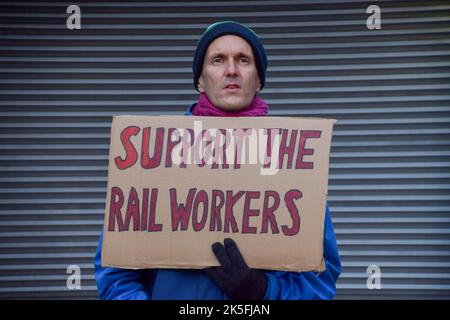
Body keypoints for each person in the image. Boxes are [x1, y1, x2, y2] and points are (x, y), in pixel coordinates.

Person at [94, 21, 341, 300]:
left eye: (243, 60)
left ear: (258, 79)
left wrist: (265, 291)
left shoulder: (290, 161)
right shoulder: (154, 157)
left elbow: (321, 282)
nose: (232, 70)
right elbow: (115, 272)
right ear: (200, 79)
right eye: (218, 60)